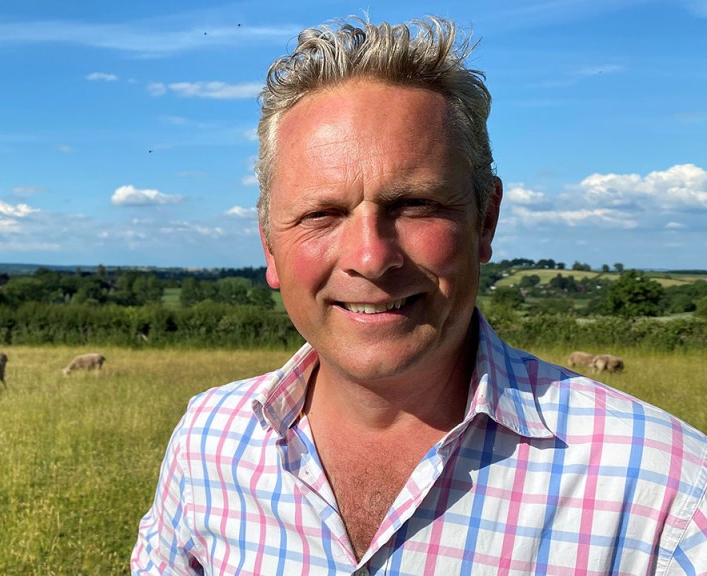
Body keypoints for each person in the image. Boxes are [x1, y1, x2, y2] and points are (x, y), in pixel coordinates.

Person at [132, 16, 707, 575]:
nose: (370, 257)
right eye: (321, 214)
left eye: (416, 205)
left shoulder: (666, 496)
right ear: (269, 247)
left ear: (486, 220)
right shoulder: (208, 440)